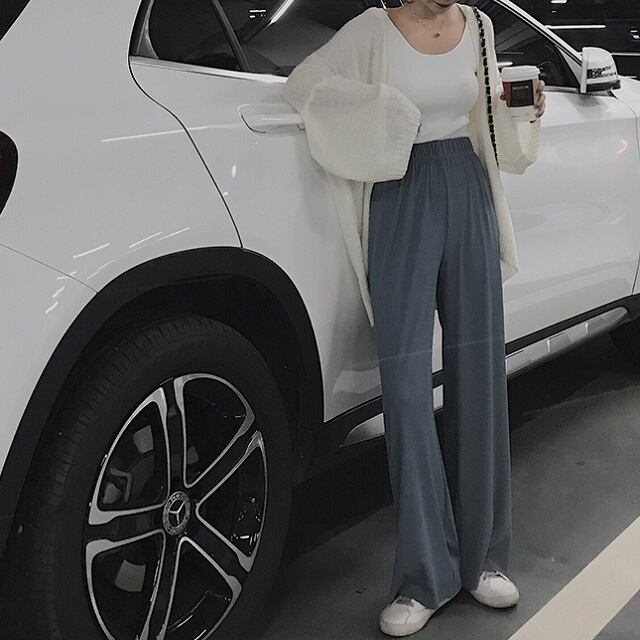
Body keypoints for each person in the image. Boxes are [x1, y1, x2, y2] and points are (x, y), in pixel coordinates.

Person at [282, 1, 546, 636]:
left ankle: (483, 559)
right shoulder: (374, 29)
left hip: (469, 185)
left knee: (480, 372)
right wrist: (387, 114)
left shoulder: (478, 26)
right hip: (400, 191)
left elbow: (487, 117)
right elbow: (305, 83)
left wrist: (522, 107)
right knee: (403, 386)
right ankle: (424, 575)